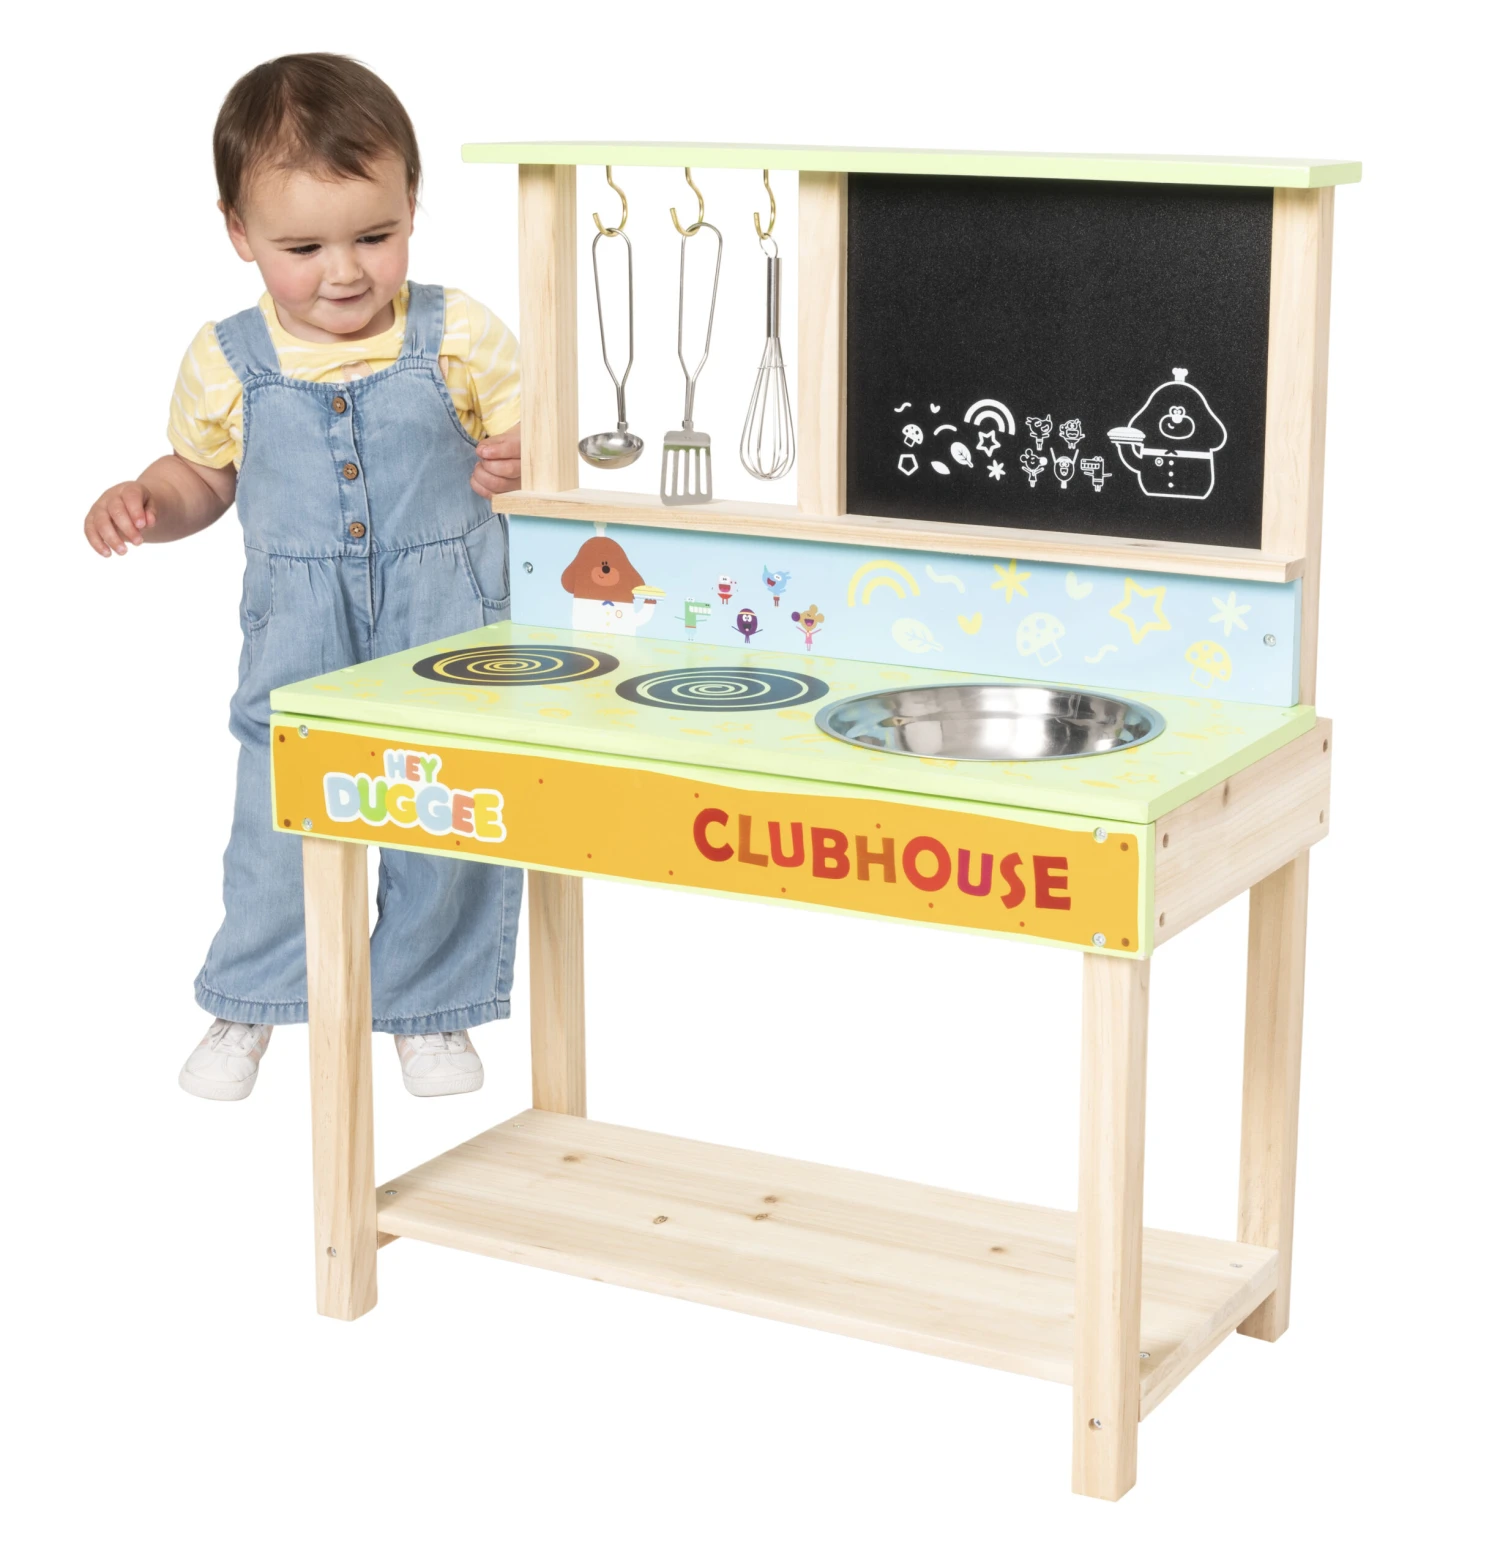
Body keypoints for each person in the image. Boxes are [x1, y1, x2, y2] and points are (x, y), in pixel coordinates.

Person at [83, 54, 525, 1102]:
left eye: (375, 236)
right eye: (303, 248)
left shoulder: (458, 334)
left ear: (412, 205)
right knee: (280, 812)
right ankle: (253, 997)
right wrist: (148, 501)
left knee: (447, 799)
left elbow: (531, 442)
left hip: (447, 613)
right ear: (239, 232)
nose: (344, 272)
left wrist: (524, 460)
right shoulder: (228, 358)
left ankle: (430, 1007)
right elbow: (203, 476)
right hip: (299, 624)